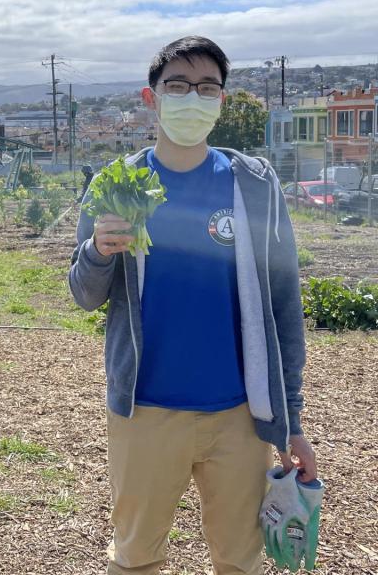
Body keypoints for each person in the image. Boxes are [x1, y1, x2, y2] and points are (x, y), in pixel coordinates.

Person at [68, 36, 316, 575]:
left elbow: (283, 304)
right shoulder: (116, 185)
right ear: (150, 97)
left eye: (207, 88)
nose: (191, 98)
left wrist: (290, 419)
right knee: (135, 558)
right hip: (147, 410)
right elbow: (84, 295)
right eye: (177, 86)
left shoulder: (253, 184)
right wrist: (97, 252)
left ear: (221, 101)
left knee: (240, 560)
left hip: (240, 416)